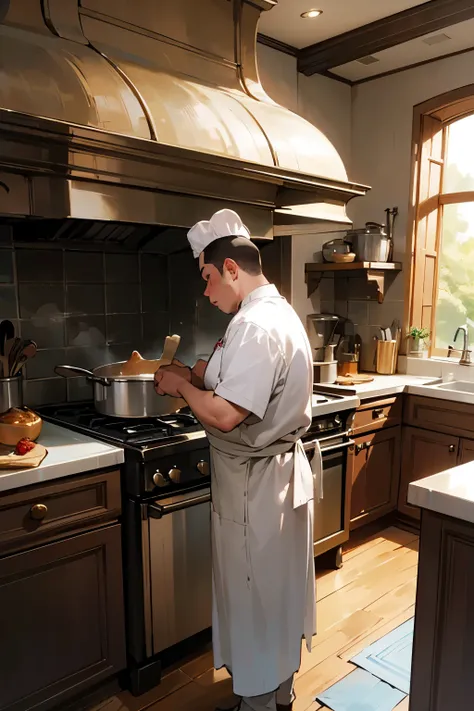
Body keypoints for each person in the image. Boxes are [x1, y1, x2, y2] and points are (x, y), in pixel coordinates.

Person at [154, 209, 320, 711]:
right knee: (276, 591)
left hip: (257, 490)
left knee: (256, 598)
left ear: (230, 268)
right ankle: (279, 693)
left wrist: (182, 386)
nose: (206, 293)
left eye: (207, 278)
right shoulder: (268, 313)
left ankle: (259, 703)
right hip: (273, 481)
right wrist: (196, 371)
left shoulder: (254, 325)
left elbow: (226, 415)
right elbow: (234, 376)